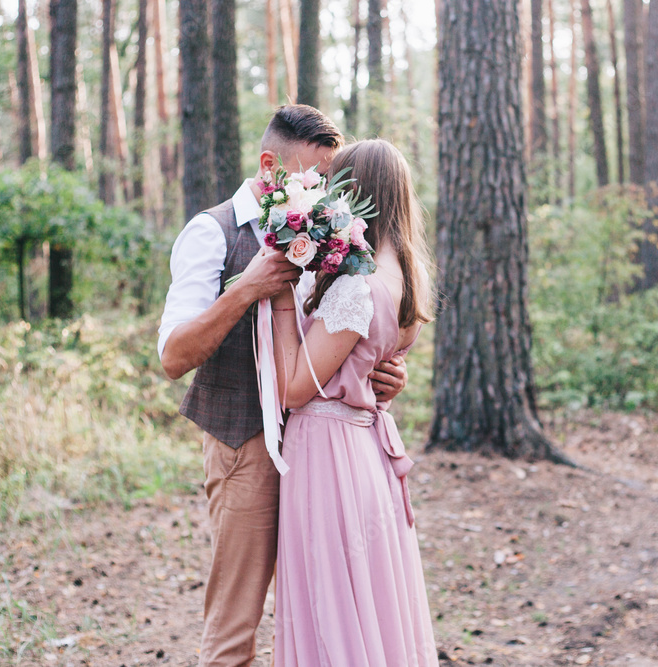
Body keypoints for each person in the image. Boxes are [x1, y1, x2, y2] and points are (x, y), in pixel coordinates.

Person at [157, 106, 411, 667]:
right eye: (312, 178)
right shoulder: (211, 231)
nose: (324, 194)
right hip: (246, 445)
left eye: (330, 180)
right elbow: (174, 357)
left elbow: (343, 332)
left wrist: (381, 372)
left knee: (321, 619)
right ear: (271, 165)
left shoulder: (332, 232)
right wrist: (246, 289)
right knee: (236, 627)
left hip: (325, 459)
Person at [269, 139, 440, 666]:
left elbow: (297, 386)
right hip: (364, 452)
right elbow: (368, 360)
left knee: (331, 603)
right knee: (365, 600)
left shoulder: (357, 286)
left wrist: (278, 298)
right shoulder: (405, 279)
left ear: (355, 194)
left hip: (328, 455)